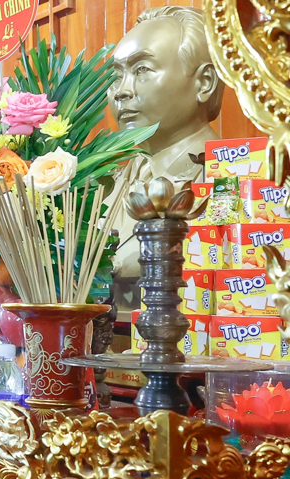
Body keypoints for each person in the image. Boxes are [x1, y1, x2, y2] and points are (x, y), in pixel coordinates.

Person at [109, 6, 224, 306]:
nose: (121, 91)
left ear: (205, 83)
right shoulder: (102, 189)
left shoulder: (230, 181)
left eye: (142, 70)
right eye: (117, 75)